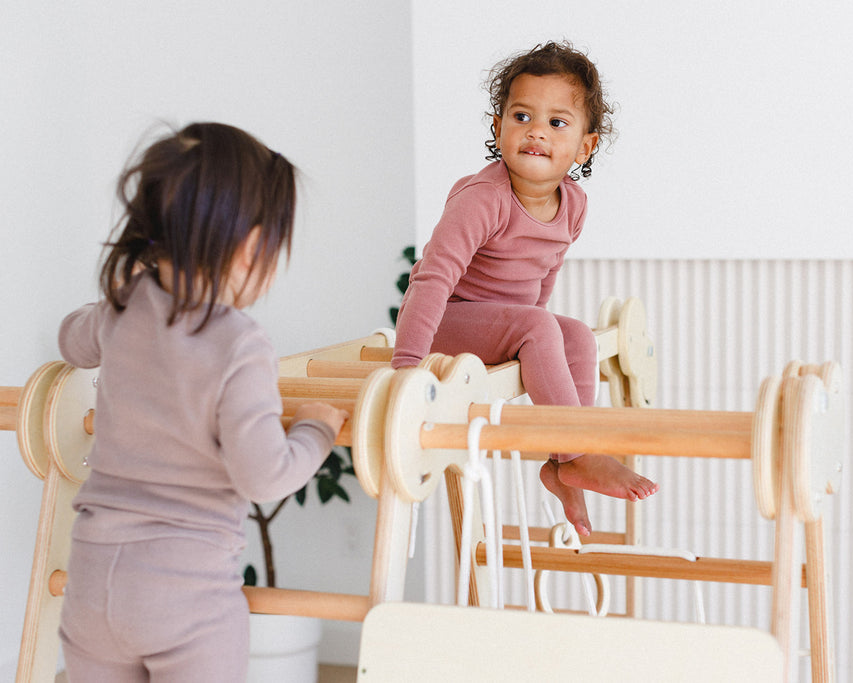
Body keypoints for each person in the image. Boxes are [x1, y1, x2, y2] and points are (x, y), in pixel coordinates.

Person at [57, 122, 347, 682]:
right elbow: (263, 476)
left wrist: (121, 298)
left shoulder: (124, 306)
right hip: (185, 597)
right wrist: (316, 430)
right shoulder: (239, 343)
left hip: (93, 581)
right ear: (248, 247)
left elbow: (72, 340)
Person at [392, 41, 658, 538]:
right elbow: (431, 280)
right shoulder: (483, 200)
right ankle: (583, 450)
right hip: (449, 318)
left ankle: (565, 463)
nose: (536, 130)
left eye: (557, 122)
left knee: (575, 335)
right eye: (521, 116)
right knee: (539, 326)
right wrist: (405, 370)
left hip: (502, 324)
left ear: (584, 147)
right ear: (498, 129)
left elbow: (545, 274)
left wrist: (529, 342)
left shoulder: (573, 205)